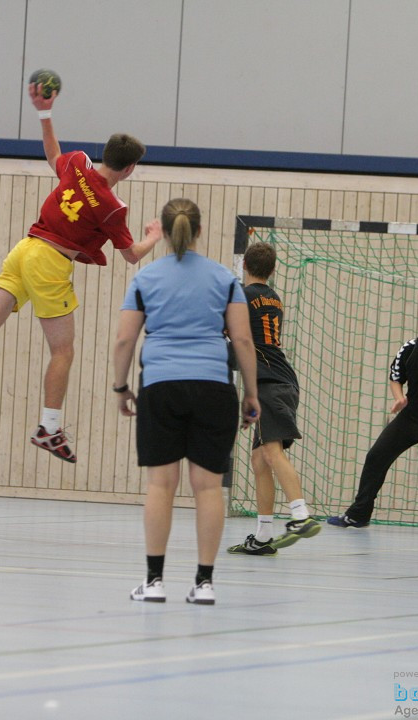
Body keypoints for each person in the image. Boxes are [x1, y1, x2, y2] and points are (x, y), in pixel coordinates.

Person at [0, 80, 157, 463]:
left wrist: (45, 112)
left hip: (23, 250)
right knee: (63, 350)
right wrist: (154, 236)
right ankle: (49, 428)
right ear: (129, 168)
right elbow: (130, 255)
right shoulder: (112, 206)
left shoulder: (77, 163)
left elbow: (52, 152)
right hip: (50, 263)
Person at [113, 198, 260, 605]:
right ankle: (204, 583)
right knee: (208, 487)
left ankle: (155, 582)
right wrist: (250, 392)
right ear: (198, 231)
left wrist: (120, 388)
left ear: (162, 229)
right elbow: (243, 340)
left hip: (161, 385)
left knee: (161, 484)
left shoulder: (146, 278)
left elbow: (125, 339)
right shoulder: (223, 278)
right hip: (213, 386)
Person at [327, 299, 418, 533]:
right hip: (410, 419)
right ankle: (359, 514)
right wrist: (399, 397)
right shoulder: (410, 348)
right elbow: (395, 376)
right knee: (376, 457)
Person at [226, 242, 321, 556]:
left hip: (269, 383)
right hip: (284, 379)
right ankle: (263, 536)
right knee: (259, 460)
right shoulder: (272, 296)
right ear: (272, 269)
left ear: (245, 267)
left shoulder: (243, 295)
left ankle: (301, 516)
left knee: (272, 452)